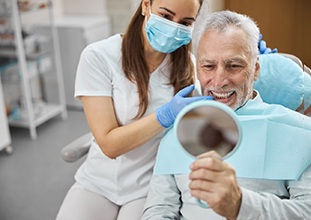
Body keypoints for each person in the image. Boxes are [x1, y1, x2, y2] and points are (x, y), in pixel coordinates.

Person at [142, 10, 311, 220]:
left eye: (234, 66)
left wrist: (240, 205)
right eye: (208, 66)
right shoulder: (177, 131)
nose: (219, 80)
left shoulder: (301, 133)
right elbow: (158, 210)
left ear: (255, 70)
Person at [56, 0, 212, 219]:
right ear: (146, 6)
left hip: (149, 186)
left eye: (185, 22)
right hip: (97, 182)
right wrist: (164, 116)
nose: (174, 28)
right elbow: (109, 145)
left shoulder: (189, 67)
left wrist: (254, 62)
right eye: (166, 16)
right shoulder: (99, 57)